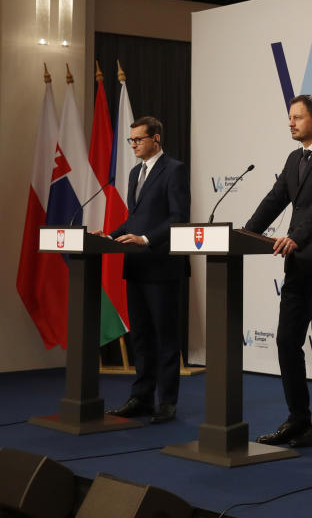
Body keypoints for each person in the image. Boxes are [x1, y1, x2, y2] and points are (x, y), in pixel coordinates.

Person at [245, 94, 312, 448]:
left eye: (297, 117)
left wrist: (295, 236)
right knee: (286, 340)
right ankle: (297, 417)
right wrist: (246, 234)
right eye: (289, 117)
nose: (290, 123)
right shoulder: (294, 159)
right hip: (298, 267)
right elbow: (275, 199)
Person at [103, 116, 190, 424]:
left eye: (138, 139)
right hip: (137, 266)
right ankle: (141, 397)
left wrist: (146, 238)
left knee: (165, 337)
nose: (134, 145)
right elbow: (134, 219)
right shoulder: (134, 173)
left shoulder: (174, 170)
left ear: (156, 139)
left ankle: (166, 402)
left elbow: (179, 216)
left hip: (162, 265)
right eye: (131, 140)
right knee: (140, 336)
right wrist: (110, 236)